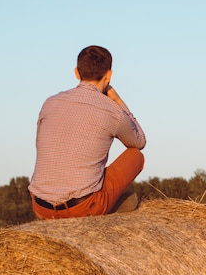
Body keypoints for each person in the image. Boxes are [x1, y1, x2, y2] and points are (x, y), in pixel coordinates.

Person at [28, 45, 146, 219]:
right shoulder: (112, 111)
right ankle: (111, 205)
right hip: (83, 208)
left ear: (76, 73)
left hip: (40, 207)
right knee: (135, 155)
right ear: (109, 75)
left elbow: (38, 143)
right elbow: (139, 141)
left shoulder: (49, 103)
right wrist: (117, 100)